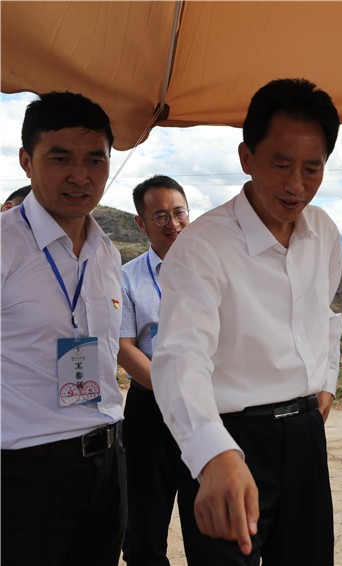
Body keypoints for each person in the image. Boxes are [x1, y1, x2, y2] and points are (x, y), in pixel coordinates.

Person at [150, 78, 342, 565]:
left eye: (312, 167)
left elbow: (324, 315)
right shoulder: (203, 246)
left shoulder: (322, 231)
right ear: (246, 157)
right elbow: (180, 357)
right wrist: (212, 453)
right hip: (232, 437)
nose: (296, 184)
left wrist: (326, 384)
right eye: (280, 164)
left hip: (305, 436)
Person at [1, 92, 125, 565]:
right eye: (60, 159)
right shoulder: (5, 246)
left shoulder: (106, 252)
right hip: (24, 475)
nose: (80, 175)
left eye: (95, 159)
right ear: (26, 161)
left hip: (108, 462)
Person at [119, 175, 192, 565]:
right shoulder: (127, 277)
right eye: (160, 216)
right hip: (150, 409)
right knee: (144, 530)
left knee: (213, 531)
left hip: (209, 407)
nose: (173, 224)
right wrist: (168, 389)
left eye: (179, 212)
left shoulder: (215, 271)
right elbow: (124, 347)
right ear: (141, 223)